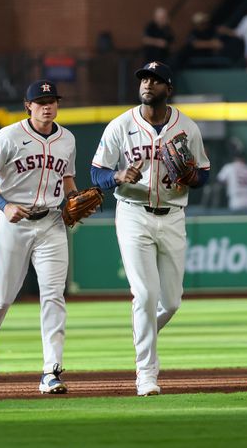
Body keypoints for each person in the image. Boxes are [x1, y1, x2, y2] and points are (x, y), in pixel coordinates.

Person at [90, 61, 210, 396]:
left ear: (168, 88)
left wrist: (192, 177)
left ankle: (141, 334)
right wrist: (116, 176)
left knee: (170, 302)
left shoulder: (186, 127)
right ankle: (146, 374)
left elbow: (204, 173)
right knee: (144, 295)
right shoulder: (120, 125)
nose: (147, 84)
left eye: (155, 80)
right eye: (144, 78)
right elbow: (96, 173)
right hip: (133, 214)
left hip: (172, 214)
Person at [0, 79, 93, 394]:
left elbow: (67, 177)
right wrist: (3, 203)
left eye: (52, 100)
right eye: (41, 101)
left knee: (53, 295)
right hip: (13, 222)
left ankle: (51, 371)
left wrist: (74, 198)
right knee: (4, 294)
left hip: (51, 222)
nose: (47, 105)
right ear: (29, 106)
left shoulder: (67, 138)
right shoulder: (8, 136)